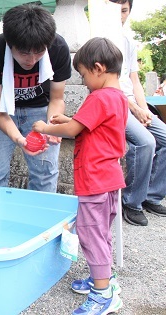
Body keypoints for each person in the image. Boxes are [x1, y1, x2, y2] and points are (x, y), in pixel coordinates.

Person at [32, 37, 127, 315]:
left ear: (98, 68)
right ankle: (105, 281)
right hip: (109, 178)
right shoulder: (117, 97)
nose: (84, 82)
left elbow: (73, 131)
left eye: (84, 75)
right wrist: (69, 119)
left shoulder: (98, 97)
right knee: (101, 233)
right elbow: (89, 125)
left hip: (94, 179)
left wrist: (45, 127)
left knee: (90, 234)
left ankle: (103, 295)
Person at [0, 4, 71, 192]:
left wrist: (51, 126)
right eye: (24, 52)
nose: (31, 60)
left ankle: (41, 220)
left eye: (39, 52)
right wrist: (19, 139)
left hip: (40, 109)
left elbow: (56, 99)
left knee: (45, 173)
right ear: (10, 44)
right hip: (3, 109)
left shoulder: (58, 48)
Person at [110, 0, 166, 226]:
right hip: (114, 105)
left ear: (129, 11)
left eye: (123, 11)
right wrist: (134, 110)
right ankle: (131, 202)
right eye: (114, 10)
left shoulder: (128, 41)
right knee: (145, 142)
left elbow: (134, 81)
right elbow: (107, 84)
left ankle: (151, 196)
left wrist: (144, 110)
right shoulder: (99, 40)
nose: (119, 16)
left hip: (133, 104)